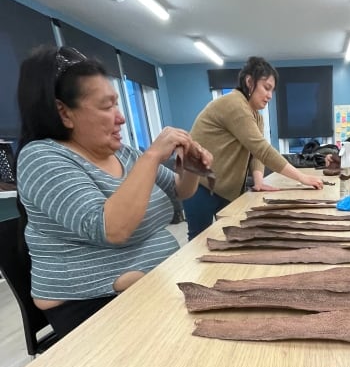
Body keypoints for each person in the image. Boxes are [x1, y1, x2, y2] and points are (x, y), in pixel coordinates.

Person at [16, 45, 213, 338]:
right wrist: (152, 156)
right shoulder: (41, 157)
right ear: (63, 112)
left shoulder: (124, 155)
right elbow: (111, 228)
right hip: (90, 308)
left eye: (117, 104)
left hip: (147, 287)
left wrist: (191, 167)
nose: (120, 117)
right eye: (107, 106)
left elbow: (179, 191)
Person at [183, 56, 323, 239]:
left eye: (272, 90)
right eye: (266, 88)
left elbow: (255, 153)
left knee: (226, 237)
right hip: (199, 185)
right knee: (198, 241)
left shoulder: (257, 117)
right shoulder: (233, 104)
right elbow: (262, 149)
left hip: (225, 189)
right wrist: (302, 177)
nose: (270, 95)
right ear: (249, 82)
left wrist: (258, 181)